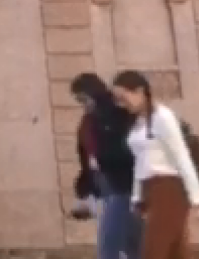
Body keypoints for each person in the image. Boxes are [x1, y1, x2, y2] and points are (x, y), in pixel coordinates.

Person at [111, 70, 199, 259]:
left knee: (154, 249)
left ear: (140, 91)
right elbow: (140, 163)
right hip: (152, 190)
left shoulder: (162, 117)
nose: (122, 104)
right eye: (118, 100)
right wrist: (137, 196)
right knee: (174, 251)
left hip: (169, 189)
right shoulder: (139, 123)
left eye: (124, 98)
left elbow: (182, 157)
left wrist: (198, 201)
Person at [70, 72, 141, 259]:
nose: (83, 104)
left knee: (109, 245)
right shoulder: (87, 122)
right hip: (106, 188)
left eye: (84, 99)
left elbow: (130, 149)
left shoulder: (119, 114)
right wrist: (85, 191)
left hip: (124, 186)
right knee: (132, 243)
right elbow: (85, 158)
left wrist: (103, 159)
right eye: (79, 100)